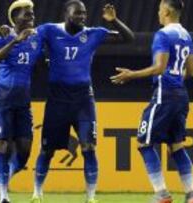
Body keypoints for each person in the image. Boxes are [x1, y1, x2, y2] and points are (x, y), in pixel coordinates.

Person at [30, 1, 134, 203]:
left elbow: (128, 38)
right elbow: (27, 37)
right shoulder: (49, 30)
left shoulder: (93, 33)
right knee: (47, 149)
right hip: (57, 99)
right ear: (66, 13)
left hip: (83, 100)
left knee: (89, 147)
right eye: (78, 13)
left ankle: (91, 197)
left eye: (84, 14)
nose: (82, 17)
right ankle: (37, 193)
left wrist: (115, 21)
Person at [110, 0, 193, 203]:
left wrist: (131, 74)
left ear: (166, 11)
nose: (158, 13)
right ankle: (191, 194)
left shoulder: (163, 34)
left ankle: (161, 194)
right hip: (181, 96)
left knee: (144, 142)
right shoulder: (186, 35)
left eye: (160, 9)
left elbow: (159, 67)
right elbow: (192, 71)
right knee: (176, 146)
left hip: (164, 95)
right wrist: (175, 77)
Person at [0, 0, 43, 202]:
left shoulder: (37, 37)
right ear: (15, 18)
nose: (31, 18)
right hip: (2, 99)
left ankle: (4, 178)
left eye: (32, 14)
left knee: (24, 152)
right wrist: (15, 41)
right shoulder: (2, 35)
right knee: (4, 145)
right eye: (27, 15)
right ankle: (3, 196)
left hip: (22, 102)